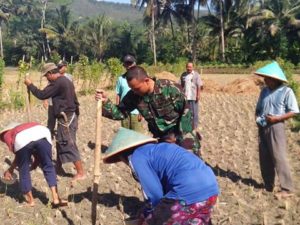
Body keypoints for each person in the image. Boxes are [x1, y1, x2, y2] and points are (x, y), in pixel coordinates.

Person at [103, 127, 219, 225]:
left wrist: (150, 215)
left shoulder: (137, 157)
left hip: (188, 188)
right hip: (211, 186)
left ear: (122, 156)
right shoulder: (156, 149)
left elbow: (155, 194)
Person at [96, 66, 201, 154]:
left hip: (183, 139)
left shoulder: (170, 89)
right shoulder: (134, 95)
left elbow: (186, 116)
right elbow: (120, 113)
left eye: (136, 88)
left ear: (146, 80)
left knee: (192, 171)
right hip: (162, 142)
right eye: (131, 89)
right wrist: (106, 102)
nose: (134, 92)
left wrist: (179, 141)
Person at [24, 63, 85, 181]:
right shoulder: (64, 80)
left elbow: (42, 95)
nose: (47, 78)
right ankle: (58, 167)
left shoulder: (58, 83)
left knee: (68, 143)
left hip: (66, 118)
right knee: (60, 142)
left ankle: (80, 172)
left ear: (51, 73)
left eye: (46, 76)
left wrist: (30, 85)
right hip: (67, 116)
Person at [254, 61, 299, 198]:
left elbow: (294, 111)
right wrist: (257, 119)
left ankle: (287, 188)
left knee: (279, 157)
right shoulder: (264, 91)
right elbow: (258, 109)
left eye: (267, 78)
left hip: (276, 126)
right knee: (264, 157)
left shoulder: (286, 91)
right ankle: (268, 185)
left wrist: (277, 119)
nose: (265, 80)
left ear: (274, 79)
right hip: (263, 126)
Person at [0, 122, 68, 208]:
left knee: (23, 170)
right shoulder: (26, 126)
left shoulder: (6, 134)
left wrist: (10, 169)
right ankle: (56, 198)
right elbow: (37, 150)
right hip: (43, 133)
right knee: (48, 165)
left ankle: (31, 201)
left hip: (22, 140)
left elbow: (19, 156)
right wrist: (35, 163)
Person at [44, 60, 73, 137]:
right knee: (51, 120)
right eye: (58, 67)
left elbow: (72, 90)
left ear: (66, 67)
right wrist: (45, 100)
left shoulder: (69, 77)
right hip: (52, 102)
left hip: (63, 104)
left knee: (63, 120)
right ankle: (50, 133)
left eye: (61, 67)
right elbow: (47, 89)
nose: (59, 68)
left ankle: (64, 134)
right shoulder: (53, 76)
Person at [115, 55, 143, 132]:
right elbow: (118, 94)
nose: (128, 66)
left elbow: (143, 96)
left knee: (138, 135)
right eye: (126, 64)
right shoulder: (121, 79)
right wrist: (118, 110)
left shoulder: (140, 77)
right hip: (124, 111)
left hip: (136, 112)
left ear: (135, 64)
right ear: (124, 65)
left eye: (130, 63)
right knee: (125, 134)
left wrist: (141, 112)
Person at [179, 62, 203, 129]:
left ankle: (195, 126)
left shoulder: (196, 75)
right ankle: (188, 125)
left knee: (194, 112)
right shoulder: (183, 75)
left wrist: (198, 95)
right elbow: (180, 85)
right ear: (186, 67)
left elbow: (199, 86)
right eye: (188, 67)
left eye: (190, 67)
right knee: (186, 112)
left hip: (193, 96)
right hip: (185, 97)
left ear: (193, 67)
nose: (189, 68)